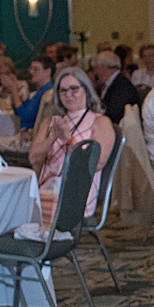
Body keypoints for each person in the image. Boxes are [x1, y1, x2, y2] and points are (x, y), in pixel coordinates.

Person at [29, 66, 116, 230]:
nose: (68, 95)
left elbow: (96, 164)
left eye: (74, 89)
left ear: (86, 90)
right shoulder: (51, 122)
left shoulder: (100, 122)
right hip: (48, 187)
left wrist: (67, 139)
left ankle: (41, 246)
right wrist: (53, 136)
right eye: (63, 91)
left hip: (78, 193)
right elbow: (33, 158)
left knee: (29, 209)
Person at [90, 50, 140, 124]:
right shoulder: (113, 83)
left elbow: (114, 114)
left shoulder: (122, 86)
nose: (95, 73)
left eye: (95, 69)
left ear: (102, 68)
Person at [14, 55, 56, 129]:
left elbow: (25, 116)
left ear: (48, 71)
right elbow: (19, 110)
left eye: (36, 69)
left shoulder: (47, 92)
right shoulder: (39, 92)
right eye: (31, 68)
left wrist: (13, 91)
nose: (31, 72)